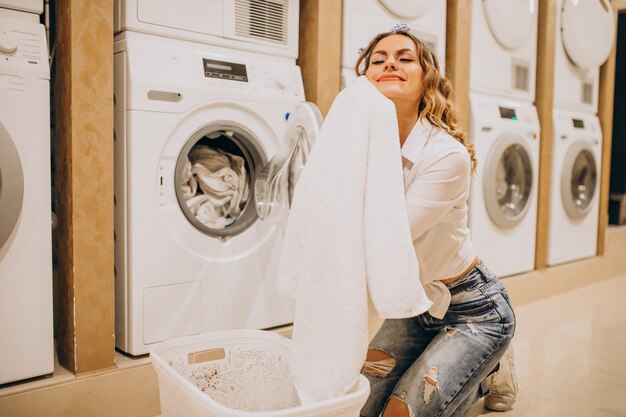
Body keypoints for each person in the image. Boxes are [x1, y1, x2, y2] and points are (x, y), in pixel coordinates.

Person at [355, 27, 517, 417]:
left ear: (427, 76)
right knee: (359, 407)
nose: (389, 63)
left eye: (404, 58)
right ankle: (476, 365)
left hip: (473, 309)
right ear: (364, 79)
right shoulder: (357, 144)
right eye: (378, 60)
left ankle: (488, 365)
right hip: (414, 304)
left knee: (401, 412)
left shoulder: (446, 155)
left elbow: (388, 235)